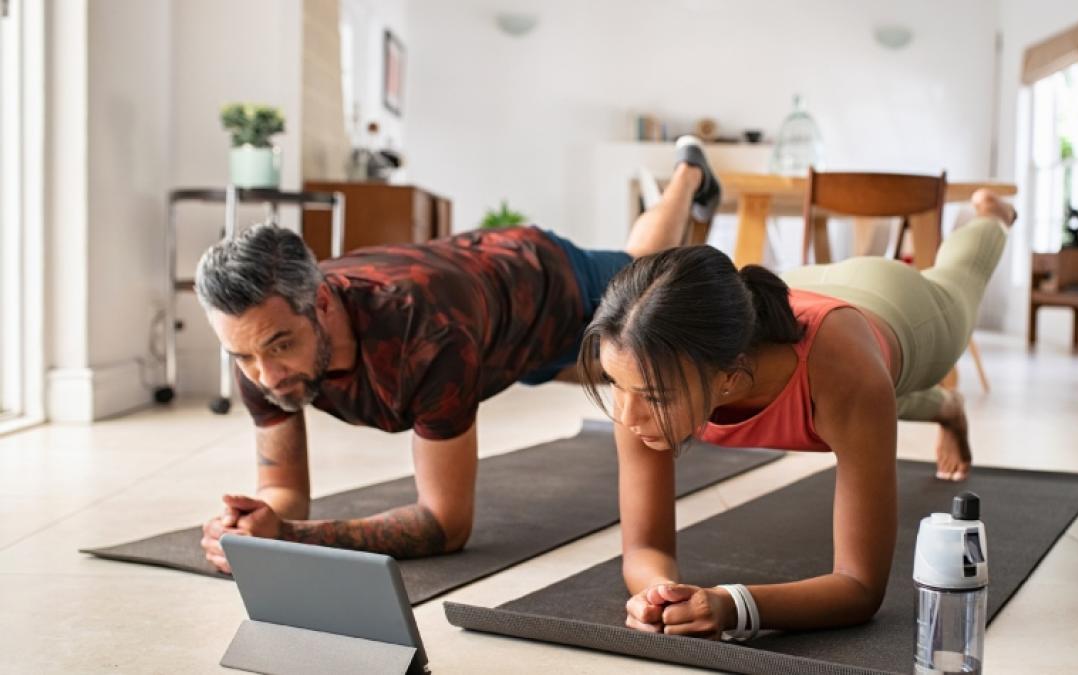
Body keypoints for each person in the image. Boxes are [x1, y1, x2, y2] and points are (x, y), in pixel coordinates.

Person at [195, 138, 724, 573]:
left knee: (646, 269)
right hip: (489, 335)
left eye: (281, 346)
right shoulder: (259, 341)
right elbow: (283, 490)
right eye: (242, 356)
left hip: (546, 285)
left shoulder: (424, 336)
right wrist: (254, 524)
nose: (264, 375)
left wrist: (288, 538)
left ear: (324, 302)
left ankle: (689, 174)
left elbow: (445, 524)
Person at [577, 190, 1016, 636]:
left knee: (959, 282)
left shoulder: (848, 376)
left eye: (653, 396)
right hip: (798, 292)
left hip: (897, 305)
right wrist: (660, 594)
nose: (627, 415)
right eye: (615, 384)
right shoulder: (646, 363)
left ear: (728, 377)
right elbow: (644, 547)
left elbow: (860, 586)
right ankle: (945, 409)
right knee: (857, 412)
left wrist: (734, 606)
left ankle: (993, 216)